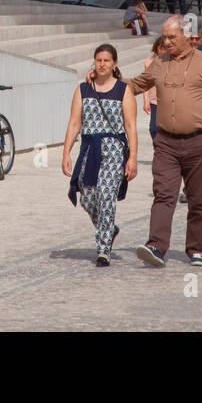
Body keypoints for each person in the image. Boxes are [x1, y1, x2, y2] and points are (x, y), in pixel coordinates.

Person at [123, 16, 202, 267]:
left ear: (186, 36)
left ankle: (195, 248)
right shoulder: (159, 63)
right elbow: (136, 85)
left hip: (199, 141)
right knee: (163, 194)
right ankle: (156, 246)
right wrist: (108, 79)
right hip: (166, 143)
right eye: (164, 37)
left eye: (171, 37)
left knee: (198, 199)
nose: (166, 42)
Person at [63, 45, 137, 266]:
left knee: (105, 196)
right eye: (99, 60)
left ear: (114, 63)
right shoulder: (83, 89)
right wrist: (66, 151)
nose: (102, 64)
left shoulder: (123, 90)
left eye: (106, 60)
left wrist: (132, 157)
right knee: (87, 198)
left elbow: (131, 126)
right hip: (89, 148)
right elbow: (75, 122)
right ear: (94, 63)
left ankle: (103, 249)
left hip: (114, 149)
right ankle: (109, 228)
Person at [140, 36, 166, 139]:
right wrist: (145, 100)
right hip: (154, 100)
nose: (164, 51)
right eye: (161, 48)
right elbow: (145, 82)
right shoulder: (150, 62)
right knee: (154, 128)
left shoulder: (172, 61)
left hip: (168, 99)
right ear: (156, 48)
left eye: (166, 48)